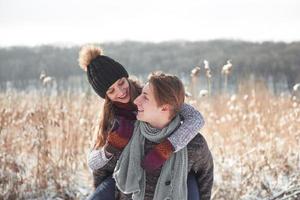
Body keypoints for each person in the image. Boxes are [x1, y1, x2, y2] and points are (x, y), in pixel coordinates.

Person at [78, 45, 205, 199]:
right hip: (125, 174)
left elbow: (195, 118)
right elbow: (93, 161)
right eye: (111, 91)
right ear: (105, 96)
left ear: (126, 77)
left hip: (169, 166)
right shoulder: (110, 118)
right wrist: (110, 148)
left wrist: (167, 147)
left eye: (120, 82)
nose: (120, 91)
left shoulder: (151, 94)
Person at [114, 72, 214, 200]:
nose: (136, 100)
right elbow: (106, 172)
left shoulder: (194, 144)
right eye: (140, 95)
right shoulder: (127, 130)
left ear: (165, 108)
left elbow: (205, 176)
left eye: (145, 97)